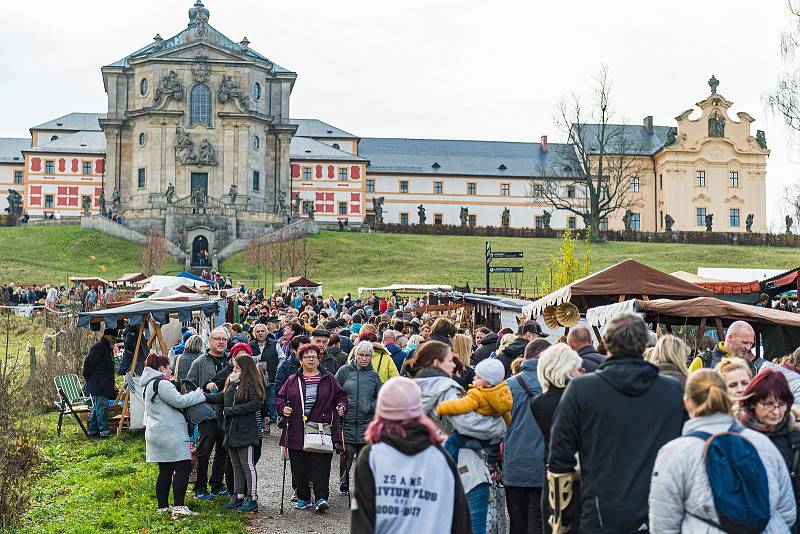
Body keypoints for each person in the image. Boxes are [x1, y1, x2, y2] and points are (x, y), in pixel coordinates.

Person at [548, 312, 685, 533]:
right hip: (660, 513)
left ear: (606, 343)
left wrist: (562, 517)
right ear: (644, 344)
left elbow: (559, 458)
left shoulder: (582, 389)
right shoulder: (673, 391)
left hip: (601, 513)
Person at [649, 369, 796, 533]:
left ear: (687, 402)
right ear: (726, 397)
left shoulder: (674, 453)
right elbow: (787, 511)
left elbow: (664, 523)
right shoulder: (762, 443)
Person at [351, 377, 473, 534]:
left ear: (381, 412)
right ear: (419, 411)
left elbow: (362, 522)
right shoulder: (441, 458)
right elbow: (461, 521)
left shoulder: (372, 456)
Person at [407, 341, 506, 534]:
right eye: (450, 360)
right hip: (465, 471)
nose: (454, 365)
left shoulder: (409, 390)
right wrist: (500, 424)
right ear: (437, 363)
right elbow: (468, 424)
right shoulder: (447, 389)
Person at [276, 343, 348, 512]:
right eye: (307, 357)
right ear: (300, 360)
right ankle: (304, 498)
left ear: (319, 359)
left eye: (314, 357)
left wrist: (342, 406)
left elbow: (341, 396)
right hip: (296, 427)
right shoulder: (293, 379)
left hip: (321, 427)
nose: (310, 359)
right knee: (299, 466)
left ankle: (322, 498)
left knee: (321, 464)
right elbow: (280, 397)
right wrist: (282, 408)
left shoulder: (328, 378)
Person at [140, 352, 206, 516]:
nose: (171, 372)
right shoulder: (162, 383)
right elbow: (179, 401)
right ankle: (178, 506)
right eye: (169, 369)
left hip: (156, 432)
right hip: (170, 432)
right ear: (162, 368)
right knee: (183, 467)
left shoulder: (148, 384)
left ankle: (162, 507)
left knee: (165, 469)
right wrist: (199, 394)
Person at [531, 343, 582, 534]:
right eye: (578, 368)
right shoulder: (580, 398)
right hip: (578, 477)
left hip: (551, 477)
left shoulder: (539, 403)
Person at [205, 355, 265, 513]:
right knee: (236, 466)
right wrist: (202, 397)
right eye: (233, 367)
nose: (233, 370)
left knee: (247, 465)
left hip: (246, 431)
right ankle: (237, 496)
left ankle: (252, 498)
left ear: (245, 369)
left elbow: (255, 404)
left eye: (237, 368)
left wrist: (231, 411)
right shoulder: (231, 383)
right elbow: (221, 397)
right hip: (231, 431)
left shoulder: (252, 384)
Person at [738, 369, 800, 518]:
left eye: (782, 404)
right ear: (752, 403)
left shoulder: (795, 438)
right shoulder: (736, 436)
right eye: (768, 404)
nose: (776, 412)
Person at [503, 338, 550, 534]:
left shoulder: (508, 385)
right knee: (540, 524)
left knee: (517, 523)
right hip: (545, 466)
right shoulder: (557, 384)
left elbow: (498, 427)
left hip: (515, 464)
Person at [187, 327, 232, 499]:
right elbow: (189, 385)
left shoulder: (231, 362)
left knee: (223, 451)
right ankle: (200, 487)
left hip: (227, 414)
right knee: (204, 452)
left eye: (224, 339)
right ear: (210, 341)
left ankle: (217, 484)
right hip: (207, 414)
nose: (221, 342)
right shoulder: (199, 362)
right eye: (217, 339)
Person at [436, 358, 511, 461]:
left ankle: (450, 464)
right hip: (492, 439)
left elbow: (461, 405)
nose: (475, 377)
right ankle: (492, 461)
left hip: (477, 435)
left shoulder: (478, 395)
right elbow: (507, 416)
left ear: (489, 383)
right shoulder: (504, 394)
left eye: (479, 377)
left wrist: (442, 408)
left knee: (452, 442)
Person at [335, 340, 381, 495]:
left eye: (368, 355)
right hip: (346, 421)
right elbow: (335, 391)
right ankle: (344, 483)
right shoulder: (344, 371)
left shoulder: (374, 376)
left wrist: (369, 406)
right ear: (355, 354)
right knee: (346, 454)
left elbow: (381, 397)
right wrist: (339, 405)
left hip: (366, 422)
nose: (364, 358)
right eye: (361, 354)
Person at [82, 327, 117, 438]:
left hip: (102, 384)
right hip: (99, 384)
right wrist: (88, 378)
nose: (114, 341)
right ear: (107, 337)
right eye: (113, 338)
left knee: (98, 407)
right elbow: (88, 364)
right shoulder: (99, 347)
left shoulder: (106, 348)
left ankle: (92, 430)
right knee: (101, 408)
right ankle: (104, 431)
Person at [249, 323, 281, 425]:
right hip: (255, 380)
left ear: (267, 332)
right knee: (260, 401)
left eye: (262, 331)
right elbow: (246, 360)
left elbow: (282, 358)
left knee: (271, 401)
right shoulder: (250, 345)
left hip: (272, 378)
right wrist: (255, 358)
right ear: (254, 334)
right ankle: (261, 422)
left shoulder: (275, 343)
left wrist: (278, 370)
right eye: (258, 331)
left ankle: (271, 421)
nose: (260, 333)